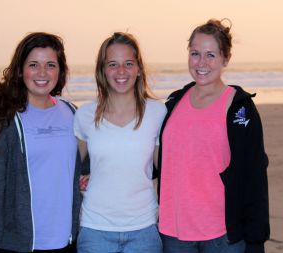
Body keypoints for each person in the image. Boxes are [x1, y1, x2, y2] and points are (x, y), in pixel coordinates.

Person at [157, 19, 270, 253]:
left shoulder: (239, 108)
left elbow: (255, 174)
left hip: (223, 235)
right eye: (195, 53)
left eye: (211, 55)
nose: (201, 63)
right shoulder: (174, 103)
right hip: (173, 232)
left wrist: (256, 240)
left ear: (226, 58)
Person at [0, 32, 83, 253]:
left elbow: (80, 163)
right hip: (19, 246)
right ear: (20, 70)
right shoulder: (0, 119)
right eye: (34, 64)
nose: (42, 72)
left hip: (68, 242)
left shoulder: (71, 113)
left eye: (50, 65)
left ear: (60, 71)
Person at [73, 32, 166, 253]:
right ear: (102, 70)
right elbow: (70, 169)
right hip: (94, 229)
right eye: (112, 64)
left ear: (139, 68)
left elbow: (166, 169)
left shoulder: (157, 112)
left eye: (128, 63)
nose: (121, 71)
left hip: (144, 229)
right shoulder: (85, 115)